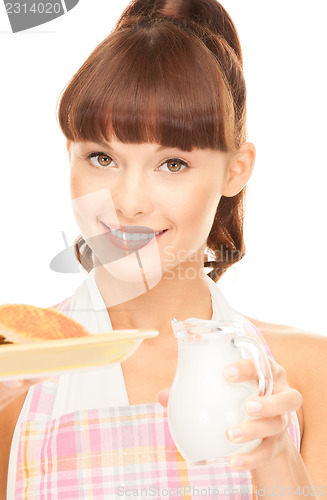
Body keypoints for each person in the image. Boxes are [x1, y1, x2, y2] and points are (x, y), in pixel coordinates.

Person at [0, 0, 326, 498]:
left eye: (172, 163)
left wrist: (276, 459)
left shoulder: (309, 374)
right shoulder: (16, 375)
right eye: (102, 157)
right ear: (70, 154)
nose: (128, 203)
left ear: (236, 170)